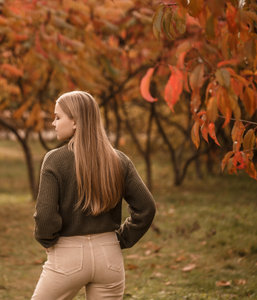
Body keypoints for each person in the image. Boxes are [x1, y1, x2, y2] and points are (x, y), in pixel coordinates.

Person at [31, 91, 156, 300]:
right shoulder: (119, 159)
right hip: (109, 255)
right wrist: (122, 239)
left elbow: (45, 216)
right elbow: (147, 208)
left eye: (58, 117)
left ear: (76, 122)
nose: (53, 123)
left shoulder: (54, 160)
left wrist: (48, 241)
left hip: (67, 255)